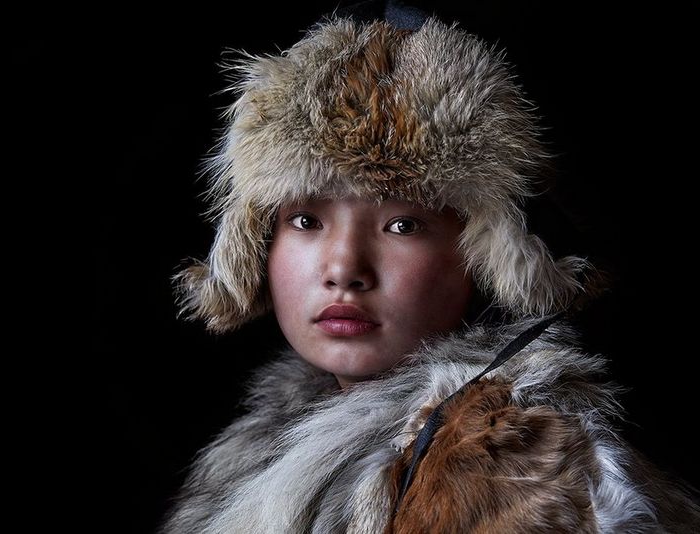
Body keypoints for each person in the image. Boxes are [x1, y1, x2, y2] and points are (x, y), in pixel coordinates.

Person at [160, 1, 700, 531]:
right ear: (257, 242)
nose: (344, 268)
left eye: (403, 225)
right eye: (305, 220)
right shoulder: (269, 441)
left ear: (484, 253)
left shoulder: (507, 468)